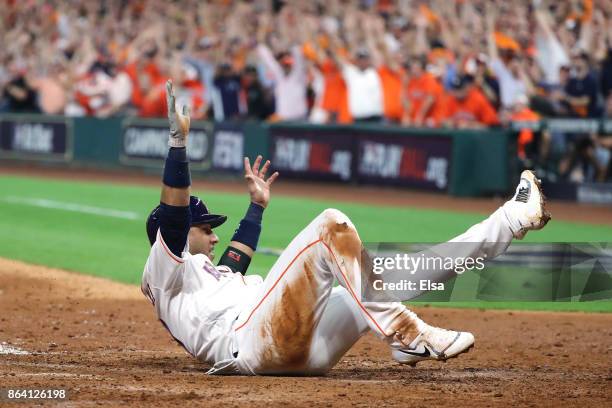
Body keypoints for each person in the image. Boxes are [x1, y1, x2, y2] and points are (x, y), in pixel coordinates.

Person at [141, 80, 551, 376]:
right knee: (330, 225)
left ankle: (509, 221)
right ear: (170, 238)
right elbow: (175, 219)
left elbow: (236, 254)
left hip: (299, 344)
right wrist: (178, 145)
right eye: (205, 228)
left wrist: (256, 208)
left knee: (384, 278)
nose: (213, 236)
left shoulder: (207, 275)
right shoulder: (165, 274)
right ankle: (405, 333)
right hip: (251, 343)